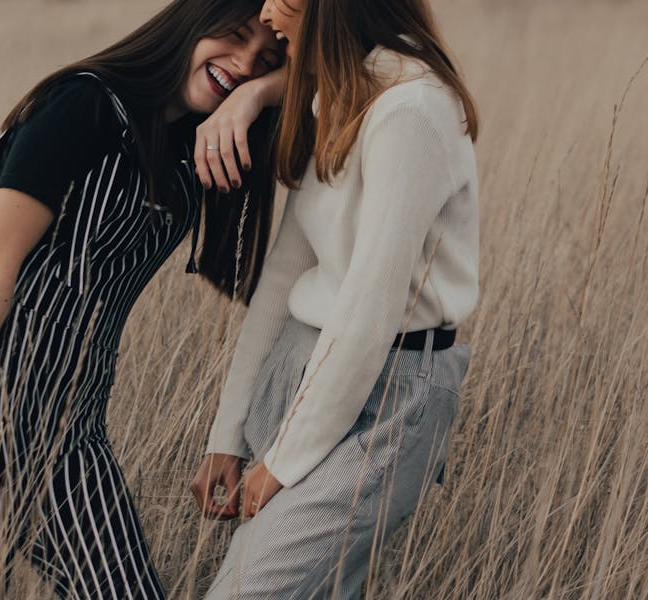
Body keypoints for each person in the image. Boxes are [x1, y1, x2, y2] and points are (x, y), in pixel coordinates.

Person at [0, 1, 285, 597]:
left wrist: (257, 95)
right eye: (235, 35)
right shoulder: (84, 105)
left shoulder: (188, 142)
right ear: (194, 18)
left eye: (267, 59)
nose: (244, 63)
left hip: (72, 435)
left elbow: (336, 73)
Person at [190, 0, 480, 597]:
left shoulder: (410, 111)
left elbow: (371, 309)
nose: (268, 13)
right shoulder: (340, 95)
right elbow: (285, 272)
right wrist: (229, 430)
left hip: (389, 389)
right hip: (301, 364)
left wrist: (283, 461)